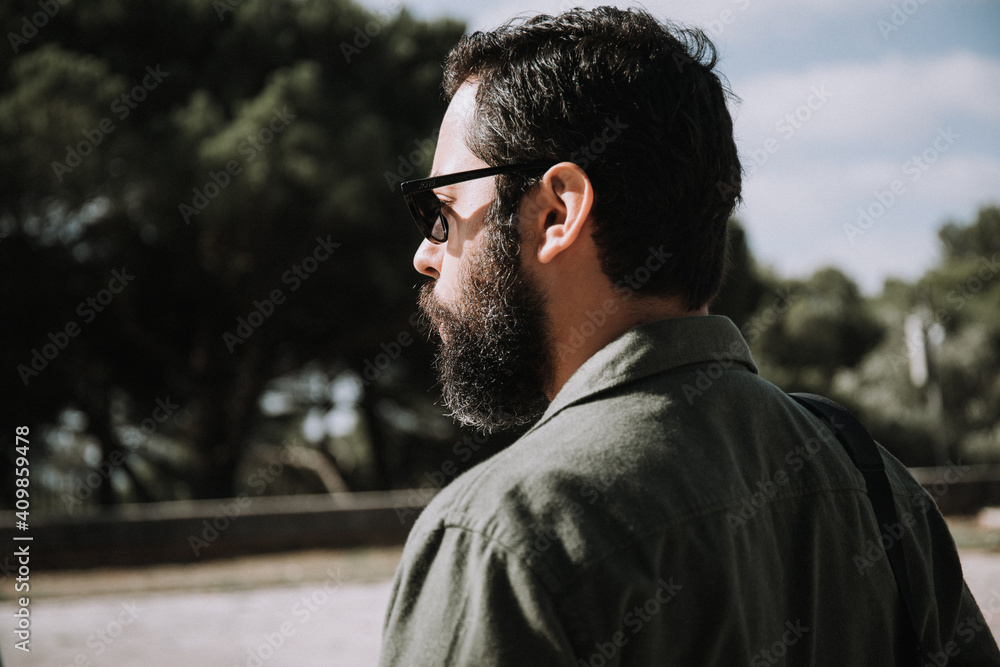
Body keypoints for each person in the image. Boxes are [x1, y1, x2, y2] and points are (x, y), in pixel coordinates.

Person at [379, 7, 1000, 665]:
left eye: (441, 209)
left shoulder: (500, 538)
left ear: (558, 212)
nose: (425, 253)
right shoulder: (879, 488)